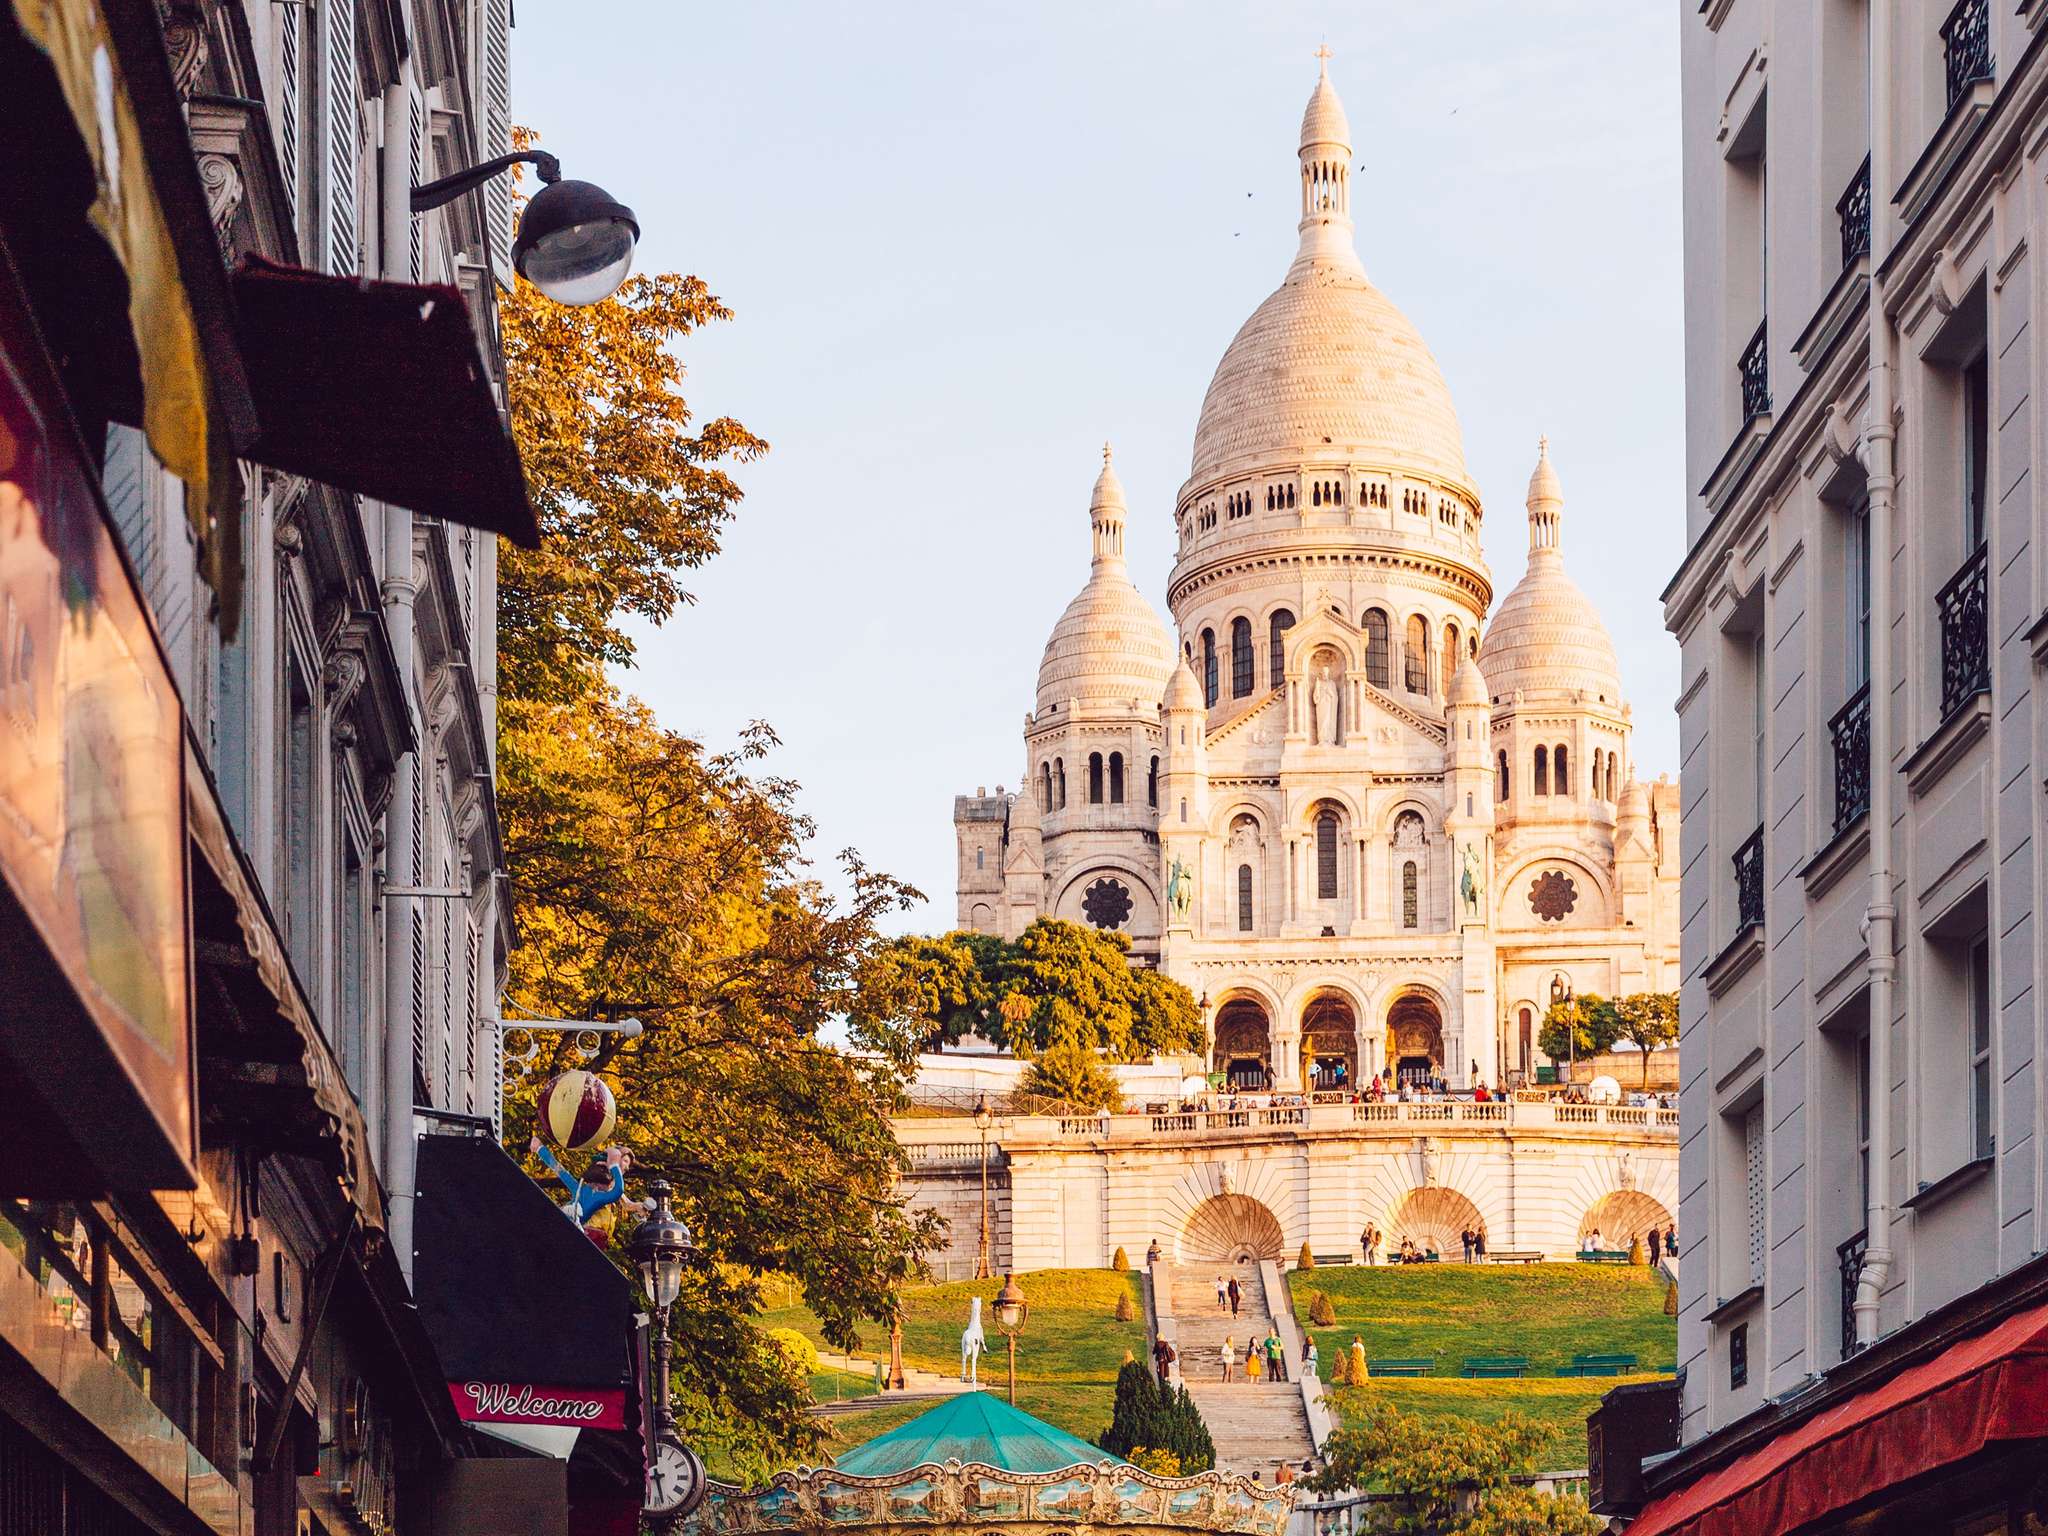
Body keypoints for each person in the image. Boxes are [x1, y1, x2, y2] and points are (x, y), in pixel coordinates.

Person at [530, 1138, 638, 1246]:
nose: (627, 1168)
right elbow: (560, 1170)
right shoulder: (591, 1193)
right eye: (625, 1161)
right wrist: (540, 1148)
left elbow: (620, 1194)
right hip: (563, 1227)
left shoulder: (598, 1195)